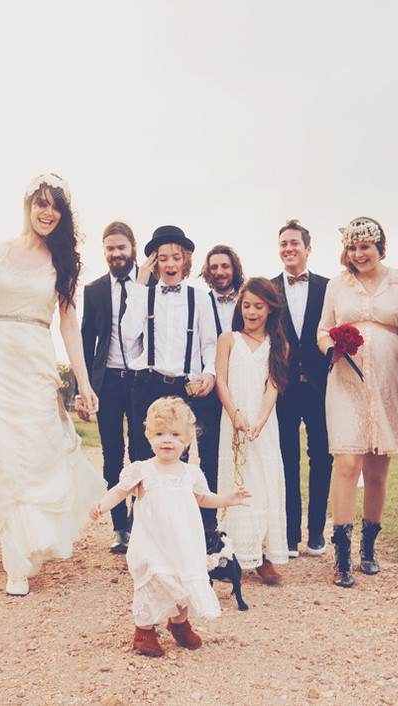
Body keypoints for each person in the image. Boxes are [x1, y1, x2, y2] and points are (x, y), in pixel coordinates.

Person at [0, 173, 106, 596]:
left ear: (63, 214)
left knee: (36, 453)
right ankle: (16, 564)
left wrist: (83, 382)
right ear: (28, 206)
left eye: (55, 206)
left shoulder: (65, 261)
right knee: (3, 458)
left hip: (36, 362)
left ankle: (32, 539)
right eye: (41, 203)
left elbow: (69, 325)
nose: (47, 212)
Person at [90, 396, 250, 657]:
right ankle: (144, 630)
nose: (167, 440)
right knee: (152, 581)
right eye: (160, 434)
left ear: (186, 440)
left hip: (182, 542)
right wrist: (102, 505)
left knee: (182, 581)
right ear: (149, 436)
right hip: (151, 542)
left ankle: (179, 624)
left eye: (175, 435)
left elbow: (204, 499)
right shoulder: (142, 470)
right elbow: (119, 491)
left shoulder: (190, 473)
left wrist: (227, 499)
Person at [318, 217, 398, 588]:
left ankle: (368, 547)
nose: (359, 253)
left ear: (380, 246)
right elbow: (323, 330)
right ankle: (341, 555)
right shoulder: (336, 285)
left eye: (365, 246)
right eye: (352, 247)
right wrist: (331, 347)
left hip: (388, 383)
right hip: (345, 382)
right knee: (347, 462)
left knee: (377, 471)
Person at [121, 225, 218, 530]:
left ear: (185, 260)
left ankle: (176, 524)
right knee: (142, 454)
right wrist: (140, 284)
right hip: (147, 383)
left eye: (176, 257)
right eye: (163, 258)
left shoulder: (200, 299)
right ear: (154, 263)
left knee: (178, 457)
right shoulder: (144, 294)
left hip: (183, 387)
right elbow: (128, 332)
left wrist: (210, 372)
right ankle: (143, 521)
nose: (170, 264)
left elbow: (209, 343)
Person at [216, 277, 289, 584]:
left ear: (270, 309)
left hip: (263, 424)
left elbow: (273, 386)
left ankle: (263, 554)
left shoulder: (278, 344)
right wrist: (234, 413)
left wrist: (261, 419)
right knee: (237, 480)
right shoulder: (228, 339)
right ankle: (231, 553)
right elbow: (221, 380)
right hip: (234, 420)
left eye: (259, 306)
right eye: (246, 306)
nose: (251, 312)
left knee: (264, 483)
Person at [77, 221, 142, 554]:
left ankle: (141, 520)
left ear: (133, 248)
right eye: (110, 249)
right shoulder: (94, 290)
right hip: (108, 383)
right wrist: (83, 390)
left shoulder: (152, 284)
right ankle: (120, 528)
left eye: (121, 247)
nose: (116, 254)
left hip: (142, 381)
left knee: (143, 453)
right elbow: (86, 340)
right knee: (112, 454)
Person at [271, 220, 333, 558]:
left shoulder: (328, 286)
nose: (288, 248)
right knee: (286, 459)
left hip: (322, 386)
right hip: (282, 387)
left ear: (308, 248)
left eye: (294, 242)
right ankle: (291, 533)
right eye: (283, 243)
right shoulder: (268, 288)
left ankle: (317, 533)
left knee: (322, 457)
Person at [196, 244, 246, 530]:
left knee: (243, 453)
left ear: (234, 268)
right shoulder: (200, 302)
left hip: (243, 385)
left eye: (224, 266)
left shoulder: (249, 301)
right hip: (209, 388)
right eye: (213, 267)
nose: (219, 272)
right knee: (210, 456)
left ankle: (242, 522)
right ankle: (209, 525)